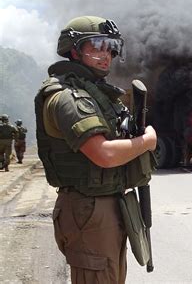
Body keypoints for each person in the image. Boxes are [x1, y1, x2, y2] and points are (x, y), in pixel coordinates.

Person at [34, 16, 157, 284]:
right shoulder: (68, 97)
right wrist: (147, 141)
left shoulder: (93, 94)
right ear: (74, 50)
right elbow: (104, 154)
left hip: (105, 205)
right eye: (97, 46)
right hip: (88, 209)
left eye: (111, 48)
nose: (106, 55)